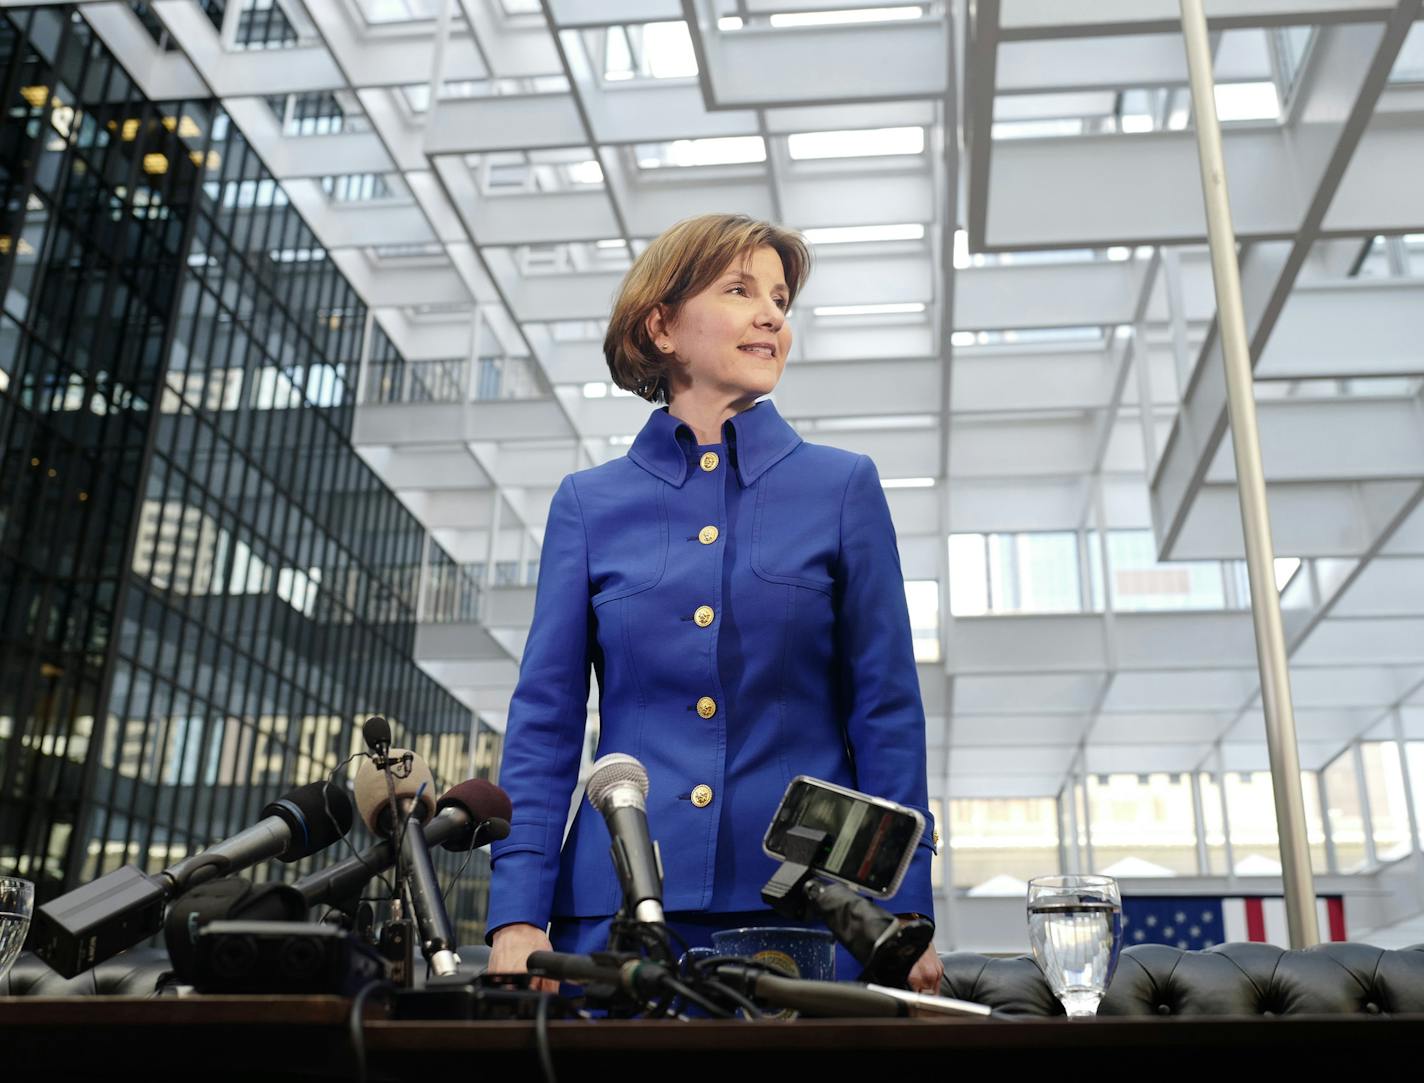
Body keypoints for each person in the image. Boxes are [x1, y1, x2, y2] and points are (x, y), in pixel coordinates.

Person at [485, 213, 943, 994]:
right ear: (661, 326)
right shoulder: (588, 505)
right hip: (611, 915)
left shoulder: (842, 488)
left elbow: (886, 712)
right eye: (739, 290)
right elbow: (546, 722)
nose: (771, 314)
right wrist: (517, 912)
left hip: (805, 913)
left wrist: (899, 910)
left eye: (779, 299)